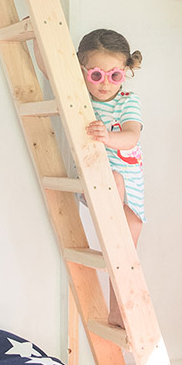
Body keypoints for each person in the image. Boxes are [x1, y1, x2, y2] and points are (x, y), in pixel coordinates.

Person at [33, 28, 145, 328]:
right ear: (83, 72)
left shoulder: (127, 101)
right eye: (96, 76)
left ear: (125, 73)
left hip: (131, 184)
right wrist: (37, 35)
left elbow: (132, 136)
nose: (106, 84)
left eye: (115, 76)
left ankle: (117, 311)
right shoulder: (79, 97)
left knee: (127, 249)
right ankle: (120, 306)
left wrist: (109, 136)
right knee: (114, 182)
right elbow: (48, 67)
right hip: (95, 180)